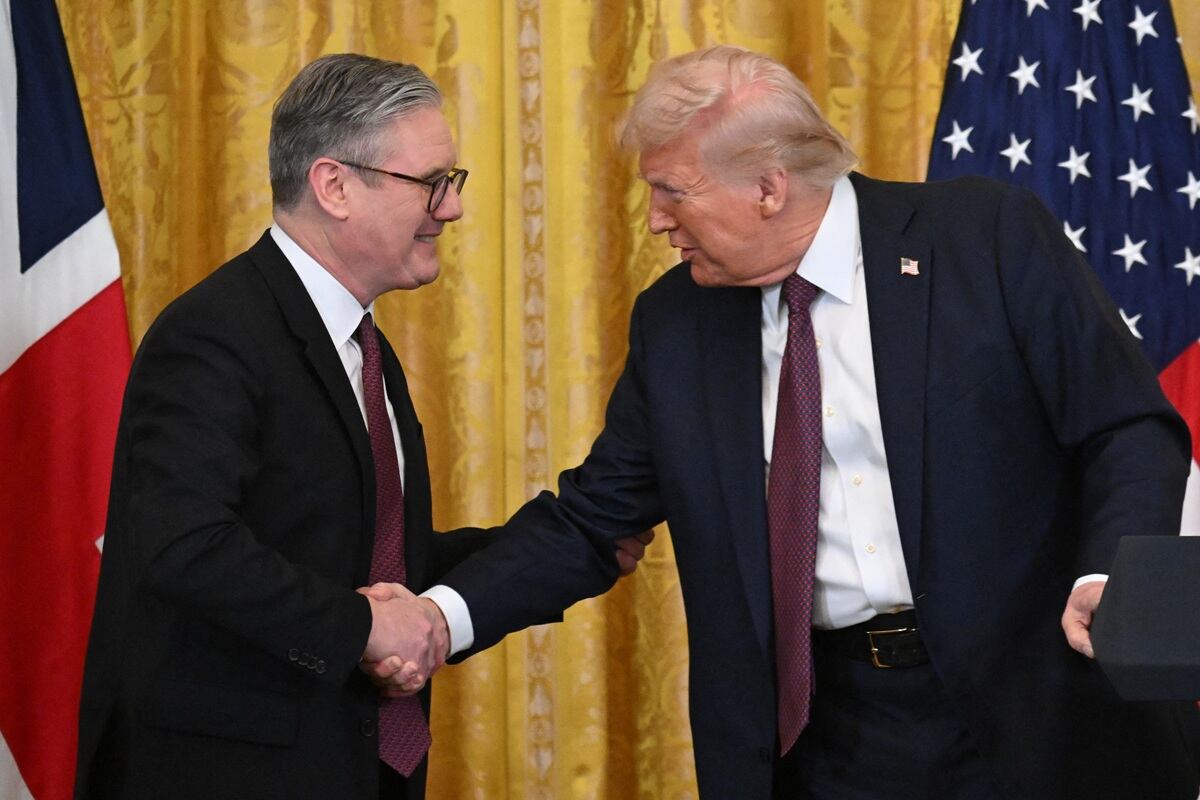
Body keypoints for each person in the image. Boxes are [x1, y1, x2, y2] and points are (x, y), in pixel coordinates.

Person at [432, 45, 1200, 799]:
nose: (656, 221)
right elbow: (593, 519)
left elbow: (1125, 426)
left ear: (769, 187)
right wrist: (442, 618)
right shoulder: (676, 323)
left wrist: (1111, 577)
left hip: (1037, 710)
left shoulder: (984, 237)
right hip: (825, 740)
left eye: (672, 191)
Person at [73, 53, 648, 800]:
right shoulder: (214, 334)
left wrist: (571, 541)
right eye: (433, 182)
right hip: (227, 773)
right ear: (334, 186)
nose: (452, 208)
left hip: (346, 765)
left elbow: (368, 565)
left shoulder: (361, 345)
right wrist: (363, 628)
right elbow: (183, 545)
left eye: (453, 182)